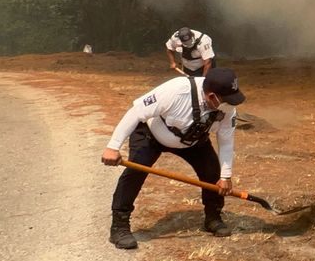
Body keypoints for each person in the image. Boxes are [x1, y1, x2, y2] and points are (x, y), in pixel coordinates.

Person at [100, 66, 246, 248]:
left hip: (193, 140)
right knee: (135, 172)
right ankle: (119, 227)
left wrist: (226, 176)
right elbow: (136, 112)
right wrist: (113, 147)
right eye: (227, 100)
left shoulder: (226, 108)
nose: (231, 105)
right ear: (211, 96)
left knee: (212, 173)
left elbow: (226, 141)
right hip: (152, 135)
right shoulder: (176, 91)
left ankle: (213, 218)